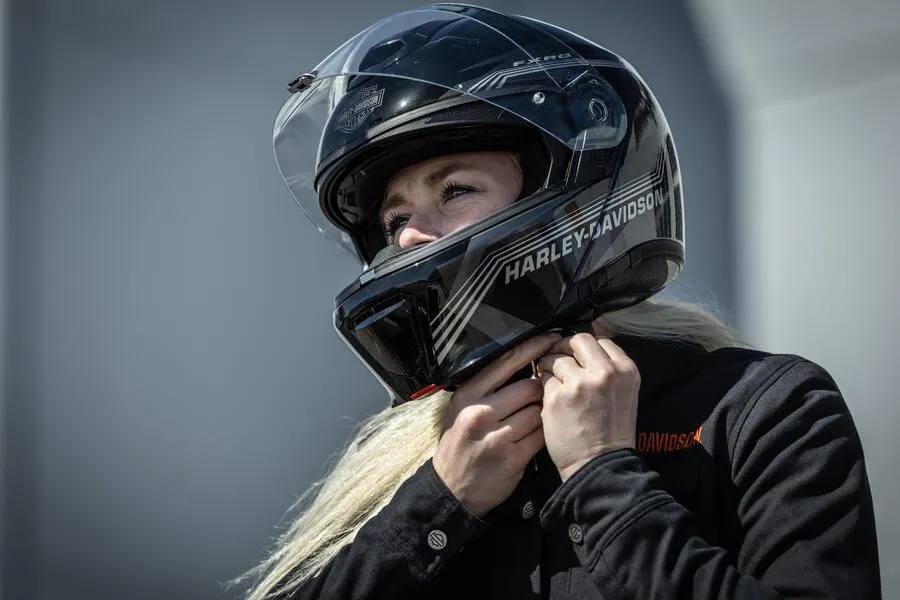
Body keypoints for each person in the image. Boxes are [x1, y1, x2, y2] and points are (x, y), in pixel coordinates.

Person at [237, 4, 881, 599]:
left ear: (569, 184)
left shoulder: (761, 409)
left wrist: (603, 474)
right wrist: (442, 500)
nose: (408, 235)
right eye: (395, 215)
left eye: (455, 190)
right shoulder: (412, 454)